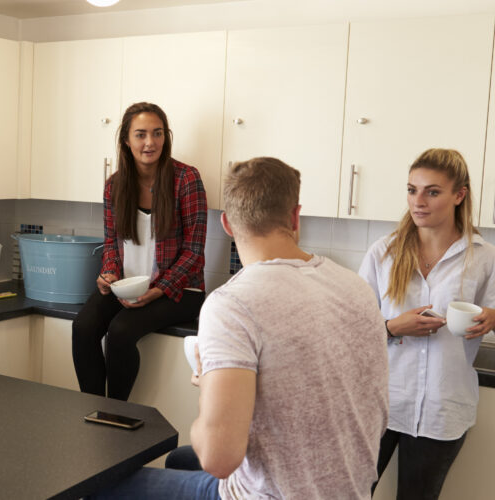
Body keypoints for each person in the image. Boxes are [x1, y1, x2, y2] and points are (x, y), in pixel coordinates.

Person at [91, 157, 389, 499]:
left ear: (227, 225)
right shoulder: (356, 288)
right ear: (295, 217)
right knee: (179, 459)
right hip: (350, 490)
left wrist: (209, 383)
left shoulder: (232, 304)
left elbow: (218, 459)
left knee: (104, 488)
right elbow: (375, 417)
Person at [359, 148, 495, 499]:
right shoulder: (384, 252)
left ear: (459, 195)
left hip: (442, 411)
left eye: (432, 191)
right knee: (347, 493)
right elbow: (352, 328)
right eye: (412, 190)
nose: (418, 201)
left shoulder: (484, 257)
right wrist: (392, 327)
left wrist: (494, 318)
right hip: (379, 404)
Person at [72, 102, 207, 401]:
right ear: (126, 140)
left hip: (180, 292)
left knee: (120, 331)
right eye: (141, 134)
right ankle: (91, 408)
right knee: (83, 327)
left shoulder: (186, 179)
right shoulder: (114, 185)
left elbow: (194, 252)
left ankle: (115, 414)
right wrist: (109, 274)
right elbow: (111, 244)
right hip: (128, 286)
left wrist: (157, 290)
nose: (150, 142)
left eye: (157, 133)